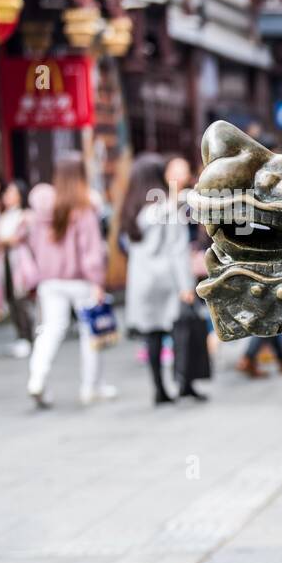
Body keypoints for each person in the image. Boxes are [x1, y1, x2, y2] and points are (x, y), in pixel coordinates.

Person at [24, 154, 115, 408]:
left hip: (49, 280)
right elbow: (92, 250)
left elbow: (32, 243)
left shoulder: (41, 207)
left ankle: (37, 378)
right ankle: (90, 386)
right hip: (80, 280)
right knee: (91, 333)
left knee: (51, 329)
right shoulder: (84, 207)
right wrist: (97, 281)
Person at [121, 153, 202, 405]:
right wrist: (186, 286)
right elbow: (178, 250)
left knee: (152, 335)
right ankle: (184, 384)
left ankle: (159, 389)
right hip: (167, 280)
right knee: (179, 331)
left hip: (142, 281)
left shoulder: (131, 209)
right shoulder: (166, 208)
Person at [0, 179, 35, 357]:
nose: (7, 196)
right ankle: (21, 336)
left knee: (21, 300)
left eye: (11, 192)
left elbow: (17, 237)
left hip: (20, 261)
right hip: (5, 262)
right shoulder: (4, 216)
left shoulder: (25, 215)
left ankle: (28, 336)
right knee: (11, 299)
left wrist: (4, 241)